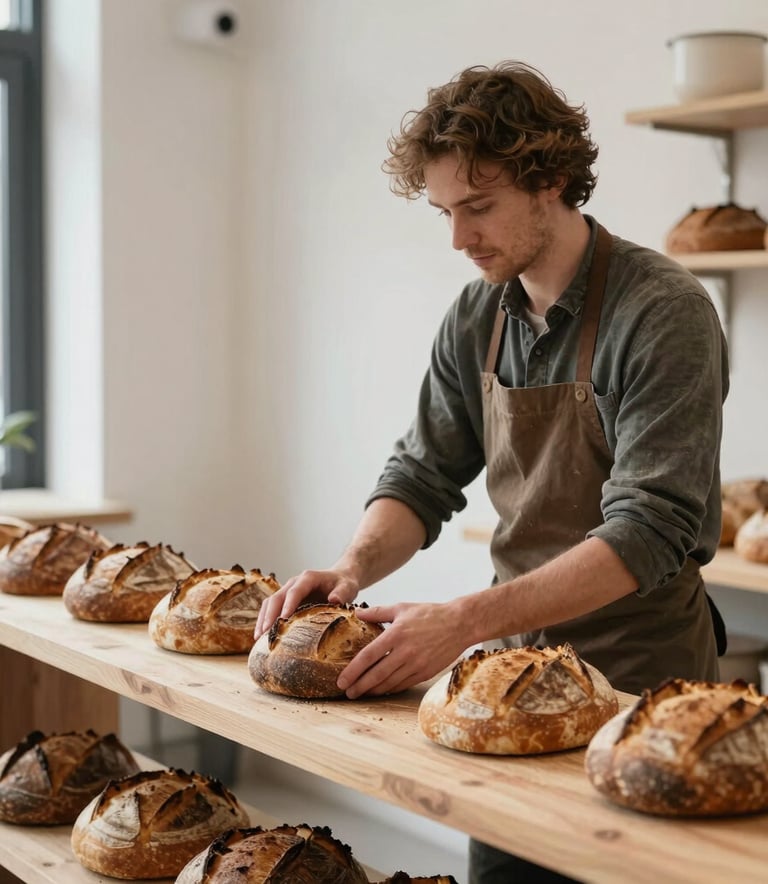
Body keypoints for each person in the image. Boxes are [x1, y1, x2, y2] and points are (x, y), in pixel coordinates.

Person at [255, 61, 729, 883]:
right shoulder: (480, 313)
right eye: (444, 211)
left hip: (643, 689)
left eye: (478, 207)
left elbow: (648, 531)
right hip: (507, 683)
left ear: (550, 180)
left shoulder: (663, 311)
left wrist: (462, 620)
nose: (458, 239)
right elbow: (422, 473)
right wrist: (351, 567)